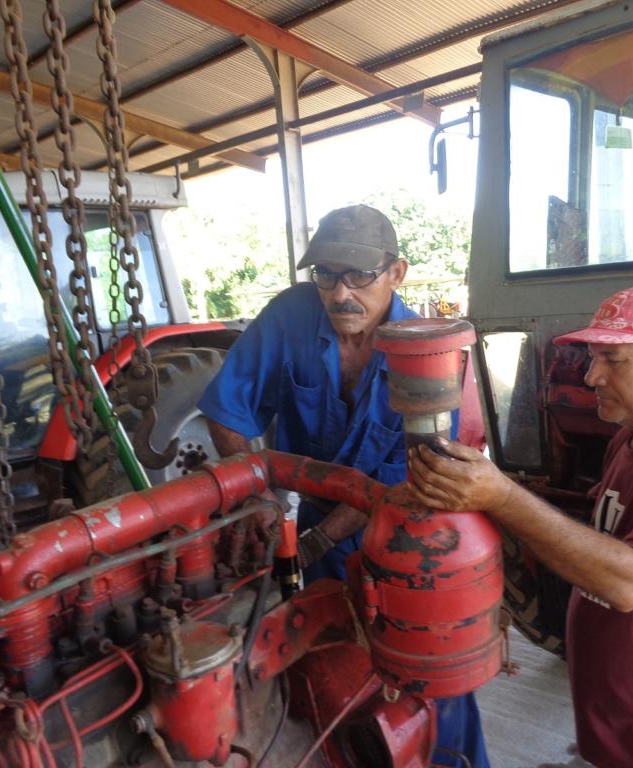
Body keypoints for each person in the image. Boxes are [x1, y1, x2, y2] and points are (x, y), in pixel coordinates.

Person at [407, 284, 633, 768]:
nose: (591, 375)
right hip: (618, 742)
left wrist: (502, 496)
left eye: (613, 361)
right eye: (593, 357)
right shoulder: (629, 440)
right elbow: (593, 543)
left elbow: (630, 580)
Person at [197, 204, 490, 768]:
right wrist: (259, 498)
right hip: (310, 530)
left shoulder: (427, 352)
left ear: (397, 273)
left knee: (432, 679)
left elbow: (415, 475)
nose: (339, 293)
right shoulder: (290, 318)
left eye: (359, 276)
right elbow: (228, 409)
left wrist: (320, 539)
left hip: (409, 531)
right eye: (326, 275)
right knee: (330, 679)